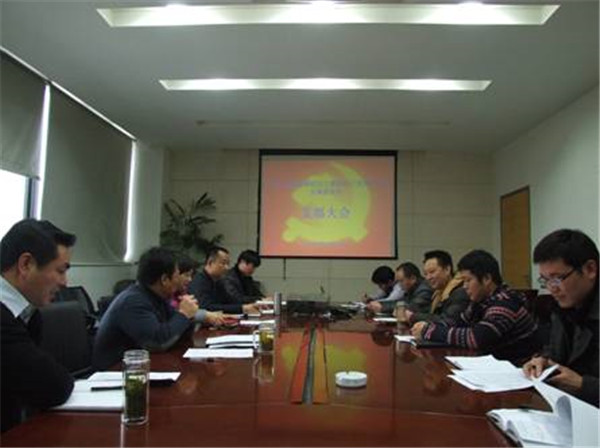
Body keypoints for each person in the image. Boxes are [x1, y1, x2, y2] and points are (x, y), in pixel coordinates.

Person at [93, 247, 224, 370]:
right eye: (177, 275)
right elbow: (157, 343)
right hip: (115, 372)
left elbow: (176, 334)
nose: (181, 280)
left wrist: (190, 315)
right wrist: (184, 314)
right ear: (164, 279)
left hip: (144, 366)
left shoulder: (157, 296)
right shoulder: (133, 301)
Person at [0, 219, 76, 432]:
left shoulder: (27, 314)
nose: (65, 282)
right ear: (26, 264)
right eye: (60, 271)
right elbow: (52, 386)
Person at [412, 250, 542, 363]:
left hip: (518, 370)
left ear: (486, 279)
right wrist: (427, 326)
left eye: (468, 280)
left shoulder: (504, 302)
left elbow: (476, 338)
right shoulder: (480, 301)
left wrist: (430, 331)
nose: (464, 286)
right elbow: (458, 323)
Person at [523, 229, 598, 407]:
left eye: (557, 278)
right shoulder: (563, 308)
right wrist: (542, 361)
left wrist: (583, 385)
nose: (551, 288)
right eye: (545, 280)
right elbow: (555, 351)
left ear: (590, 269)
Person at [188, 246, 259, 315]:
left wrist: (247, 306)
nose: (227, 268)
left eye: (228, 264)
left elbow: (229, 301)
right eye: (223, 263)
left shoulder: (218, 282)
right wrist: (242, 308)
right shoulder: (199, 281)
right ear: (210, 262)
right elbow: (206, 307)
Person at [407, 250, 469, 324]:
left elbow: (447, 321)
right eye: (425, 274)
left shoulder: (460, 292)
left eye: (432, 272)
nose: (428, 277)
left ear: (447, 269)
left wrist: (414, 317)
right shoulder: (438, 292)